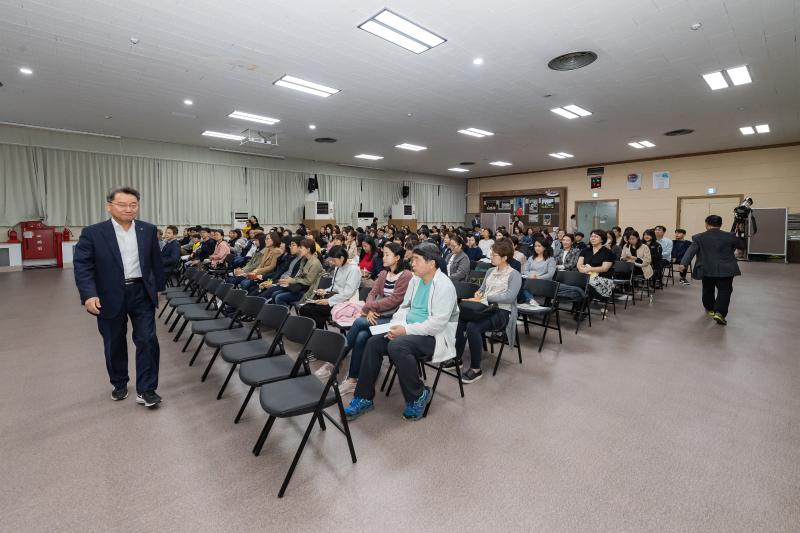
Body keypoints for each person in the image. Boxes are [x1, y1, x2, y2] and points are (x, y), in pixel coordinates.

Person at [344, 242, 459, 422]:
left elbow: (436, 324)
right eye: (412, 259)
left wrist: (404, 330)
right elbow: (404, 308)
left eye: (416, 259)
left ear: (432, 263)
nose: (411, 263)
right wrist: (396, 326)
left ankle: (418, 395)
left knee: (398, 345)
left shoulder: (444, 286)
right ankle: (364, 397)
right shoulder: (415, 280)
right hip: (409, 330)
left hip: (434, 337)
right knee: (373, 342)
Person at [73, 186, 165, 407]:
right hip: (108, 294)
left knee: (147, 339)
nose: (128, 209)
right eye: (122, 204)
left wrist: (157, 288)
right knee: (114, 341)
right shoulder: (93, 233)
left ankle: (147, 389)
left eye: (133, 205)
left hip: (141, 291)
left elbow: (155, 263)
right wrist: (88, 294)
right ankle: (119, 382)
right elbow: (83, 265)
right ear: (109, 206)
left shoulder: (148, 230)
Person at [340, 243, 412, 395]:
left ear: (397, 257)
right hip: (379, 314)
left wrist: (369, 308)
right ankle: (353, 379)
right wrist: (371, 308)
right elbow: (372, 293)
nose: (383, 257)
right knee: (361, 336)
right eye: (383, 254)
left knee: (359, 322)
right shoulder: (384, 274)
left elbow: (394, 300)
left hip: (394, 319)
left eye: (387, 254)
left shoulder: (406, 275)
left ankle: (339, 355)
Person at [453, 239, 521, 383]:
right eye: (492, 253)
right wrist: (479, 293)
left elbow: (509, 297)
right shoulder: (490, 270)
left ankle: (476, 369)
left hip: (502, 312)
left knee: (473, 327)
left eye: (495, 255)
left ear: (504, 258)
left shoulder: (514, 274)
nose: (491, 256)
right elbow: (482, 288)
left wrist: (487, 297)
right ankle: (456, 358)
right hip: (485, 308)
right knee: (459, 321)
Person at [676, 215, 747, 325]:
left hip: (707, 268)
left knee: (708, 289)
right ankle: (720, 312)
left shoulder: (699, 237)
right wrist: (741, 233)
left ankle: (711, 309)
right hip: (726, 269)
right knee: (725, 290)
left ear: (706, 224)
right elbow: (742, 246)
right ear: (721, 225)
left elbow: (691, 251)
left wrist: (683, 264)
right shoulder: (730, 236)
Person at [299, 245, 361, 329]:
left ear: (342, 258)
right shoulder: (339, 266)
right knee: (306, 307)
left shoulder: (353, 269)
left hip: (346, 301)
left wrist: (329, 301)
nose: (332, 263)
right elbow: (334, 286)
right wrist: (325, 291)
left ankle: (316, 332)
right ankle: (316, 331)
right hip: (335, 297)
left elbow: (347, 294)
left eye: (334, 260)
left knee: (309, 310)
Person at [273, 239, 323, 307]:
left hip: (308, 290)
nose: (299, 249)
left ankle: (286, 315)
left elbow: (309, 281)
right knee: (275, 294)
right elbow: (300, 276)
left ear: (308, 249)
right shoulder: (304, 259)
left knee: (279, 297)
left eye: (301, 247)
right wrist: (289, 280)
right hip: (301, 287)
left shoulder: (315, 263)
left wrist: (292, 280)